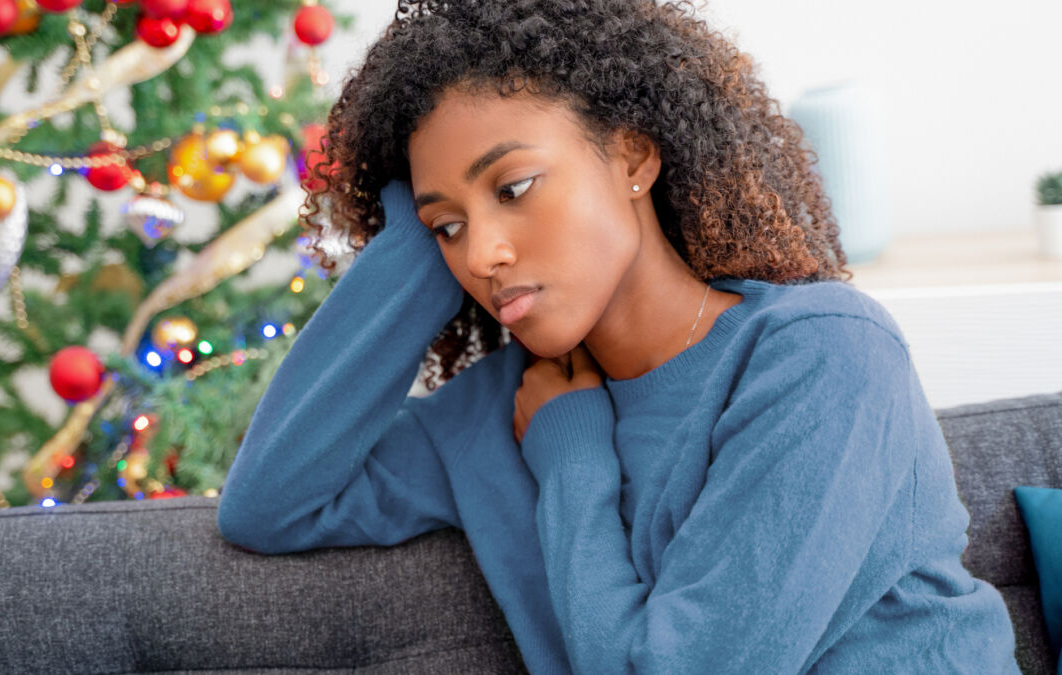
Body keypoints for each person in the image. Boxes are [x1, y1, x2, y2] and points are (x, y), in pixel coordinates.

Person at [216, 1, 1021, 672]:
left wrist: (572, 461)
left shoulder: (821, 355)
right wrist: (410, 250)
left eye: (516, 185)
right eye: (450, 228)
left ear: (633, 158)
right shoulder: (495, 410)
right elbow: (266, 505)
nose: (483, 253)